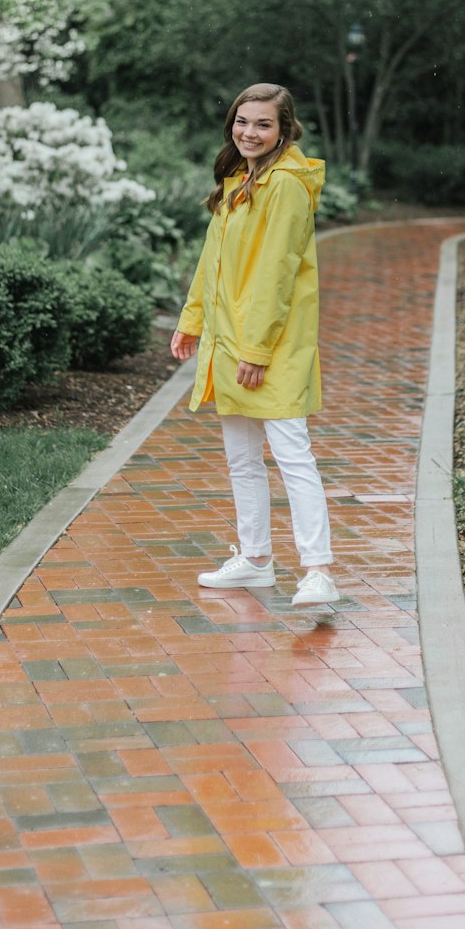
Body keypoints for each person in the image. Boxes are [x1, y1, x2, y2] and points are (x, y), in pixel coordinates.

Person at [170, 83, 338, 606]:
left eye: (263, 124)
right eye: (243, 122)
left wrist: (258, 351)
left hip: (270, 345)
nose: (249, 132)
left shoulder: (286, 186)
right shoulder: (238, 180)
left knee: (293, 454)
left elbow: (276, 274)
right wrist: (191, 320)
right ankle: (256, 559)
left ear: (284, 130)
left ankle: (317, 570)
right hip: (230, 341)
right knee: (242, 459)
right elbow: (211, 260)